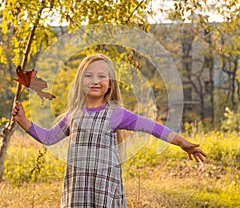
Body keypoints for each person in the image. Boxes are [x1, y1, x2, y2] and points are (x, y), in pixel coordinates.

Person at [12, 53, 206, 208]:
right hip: (78, 190)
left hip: (104, 190)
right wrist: (23, 120)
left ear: (110, 83)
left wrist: (182, 143)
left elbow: (151, 127)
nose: (95, 80)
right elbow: (49, 137)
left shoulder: (115, 113)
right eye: (88, 75)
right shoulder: (73, 115)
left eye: (101, 76)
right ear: (80, 82)